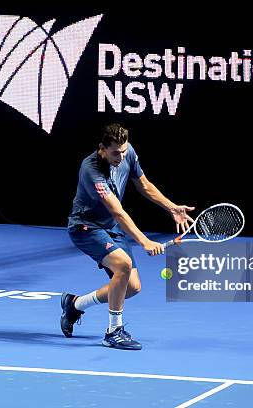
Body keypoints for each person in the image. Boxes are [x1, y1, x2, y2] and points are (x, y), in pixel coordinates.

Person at [62, 123, 194, 350]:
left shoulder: (127, 151)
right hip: (86, 227)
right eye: (115, 153)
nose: (121, 157)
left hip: (110, 226)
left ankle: (75, 304)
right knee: (123, 265)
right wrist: (144, 241)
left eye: (123, 152)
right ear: (102, 149)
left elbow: (144, 184)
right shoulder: (91, 170)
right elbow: (117, 210)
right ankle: (113, 332)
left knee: (131, 287)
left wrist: (171, 207)